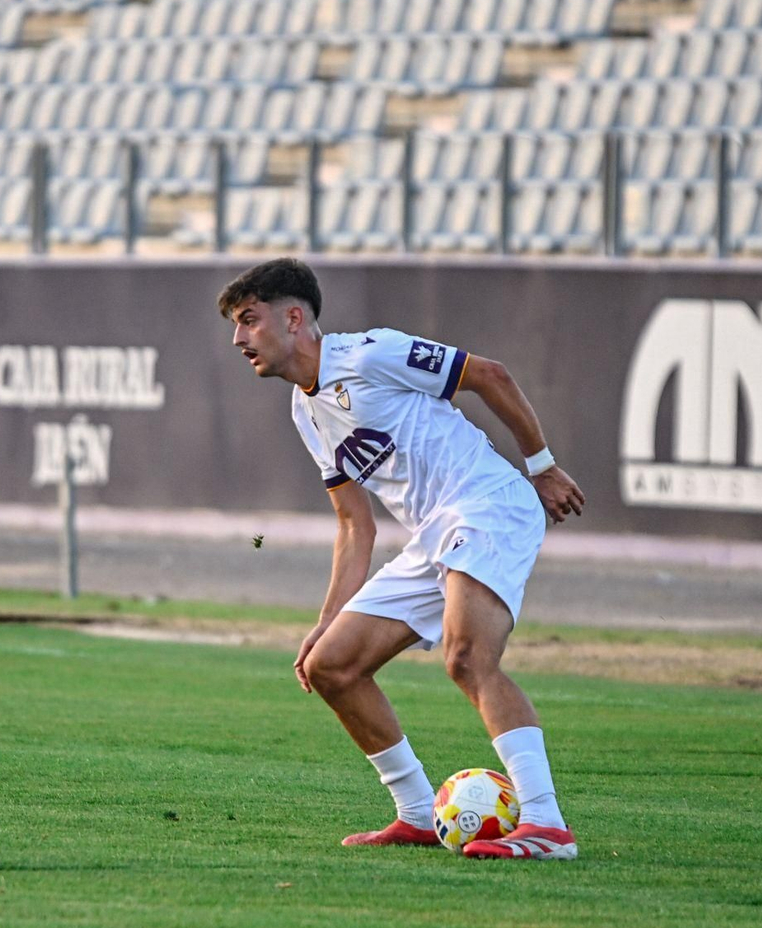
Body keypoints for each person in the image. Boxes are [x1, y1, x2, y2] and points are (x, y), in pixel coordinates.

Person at [219, 258, 585, 860]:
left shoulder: (370, 354)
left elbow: (488, 375)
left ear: (293, 318)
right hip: (433, 535)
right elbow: (353, 524)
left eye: (248, 321)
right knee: (331, 665)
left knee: (466, 658)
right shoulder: (304, 411)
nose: (239, 339)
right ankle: (417, 814)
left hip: (487, 503)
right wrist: (325, 622)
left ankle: (547, 825)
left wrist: (541, 467)